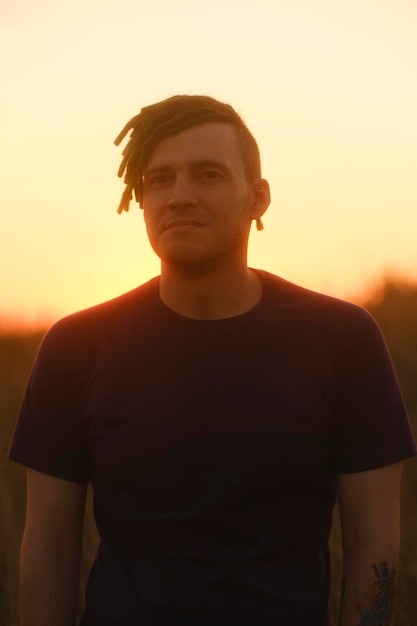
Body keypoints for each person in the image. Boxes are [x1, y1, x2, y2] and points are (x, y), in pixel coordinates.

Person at [9, 94, 416, 626]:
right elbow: (49, 549)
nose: (179, 196)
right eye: (159, 179)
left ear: (258, 197)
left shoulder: (343, 338)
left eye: (207, 175)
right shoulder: (75, 345)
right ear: (140, 197)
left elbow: (374, 546)